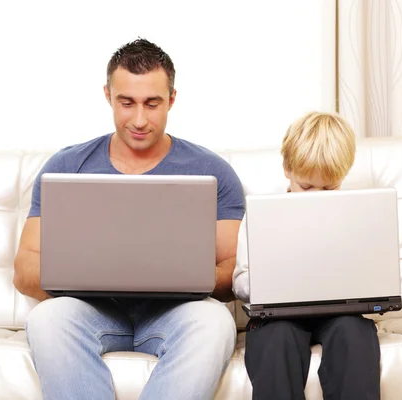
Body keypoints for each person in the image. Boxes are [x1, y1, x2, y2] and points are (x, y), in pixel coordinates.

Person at [13, 38, 245, 400]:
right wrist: (88, 276)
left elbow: (233, 268)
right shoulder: (67, 167)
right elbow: (24, 269)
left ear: (171, 99)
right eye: (127, 103)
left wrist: (177, 277)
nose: (139, 119)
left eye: (152, 104)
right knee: (47, 320)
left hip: (176, 312)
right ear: (108, 95)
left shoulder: (212, 171)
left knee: (215, 323)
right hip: (92, 311)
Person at [232, 111, 381, 400]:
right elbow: (240, 282)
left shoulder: (359, 213)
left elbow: (378, 270)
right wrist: (273, 281)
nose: (316, 196)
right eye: (306, 186)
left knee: (353, 336)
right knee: (276, 341)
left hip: (342, 312)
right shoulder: (262, 214)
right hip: (278, 316)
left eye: (329, 188)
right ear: (287, 169)